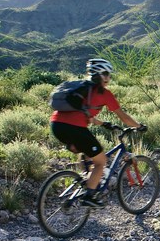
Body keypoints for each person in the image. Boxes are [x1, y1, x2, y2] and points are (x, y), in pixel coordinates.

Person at [50, 58, 146, 208]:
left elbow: (86, 115)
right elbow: (124, 117)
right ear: (99, 75)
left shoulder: (82, 90)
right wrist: (139, 126)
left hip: (56, 126)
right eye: (106, 74)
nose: (108, 78)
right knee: (101, 161)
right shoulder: (104, 94)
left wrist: (104, 124)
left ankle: (86, 180)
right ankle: (89, 197)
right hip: (75, 128)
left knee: (88, 153)